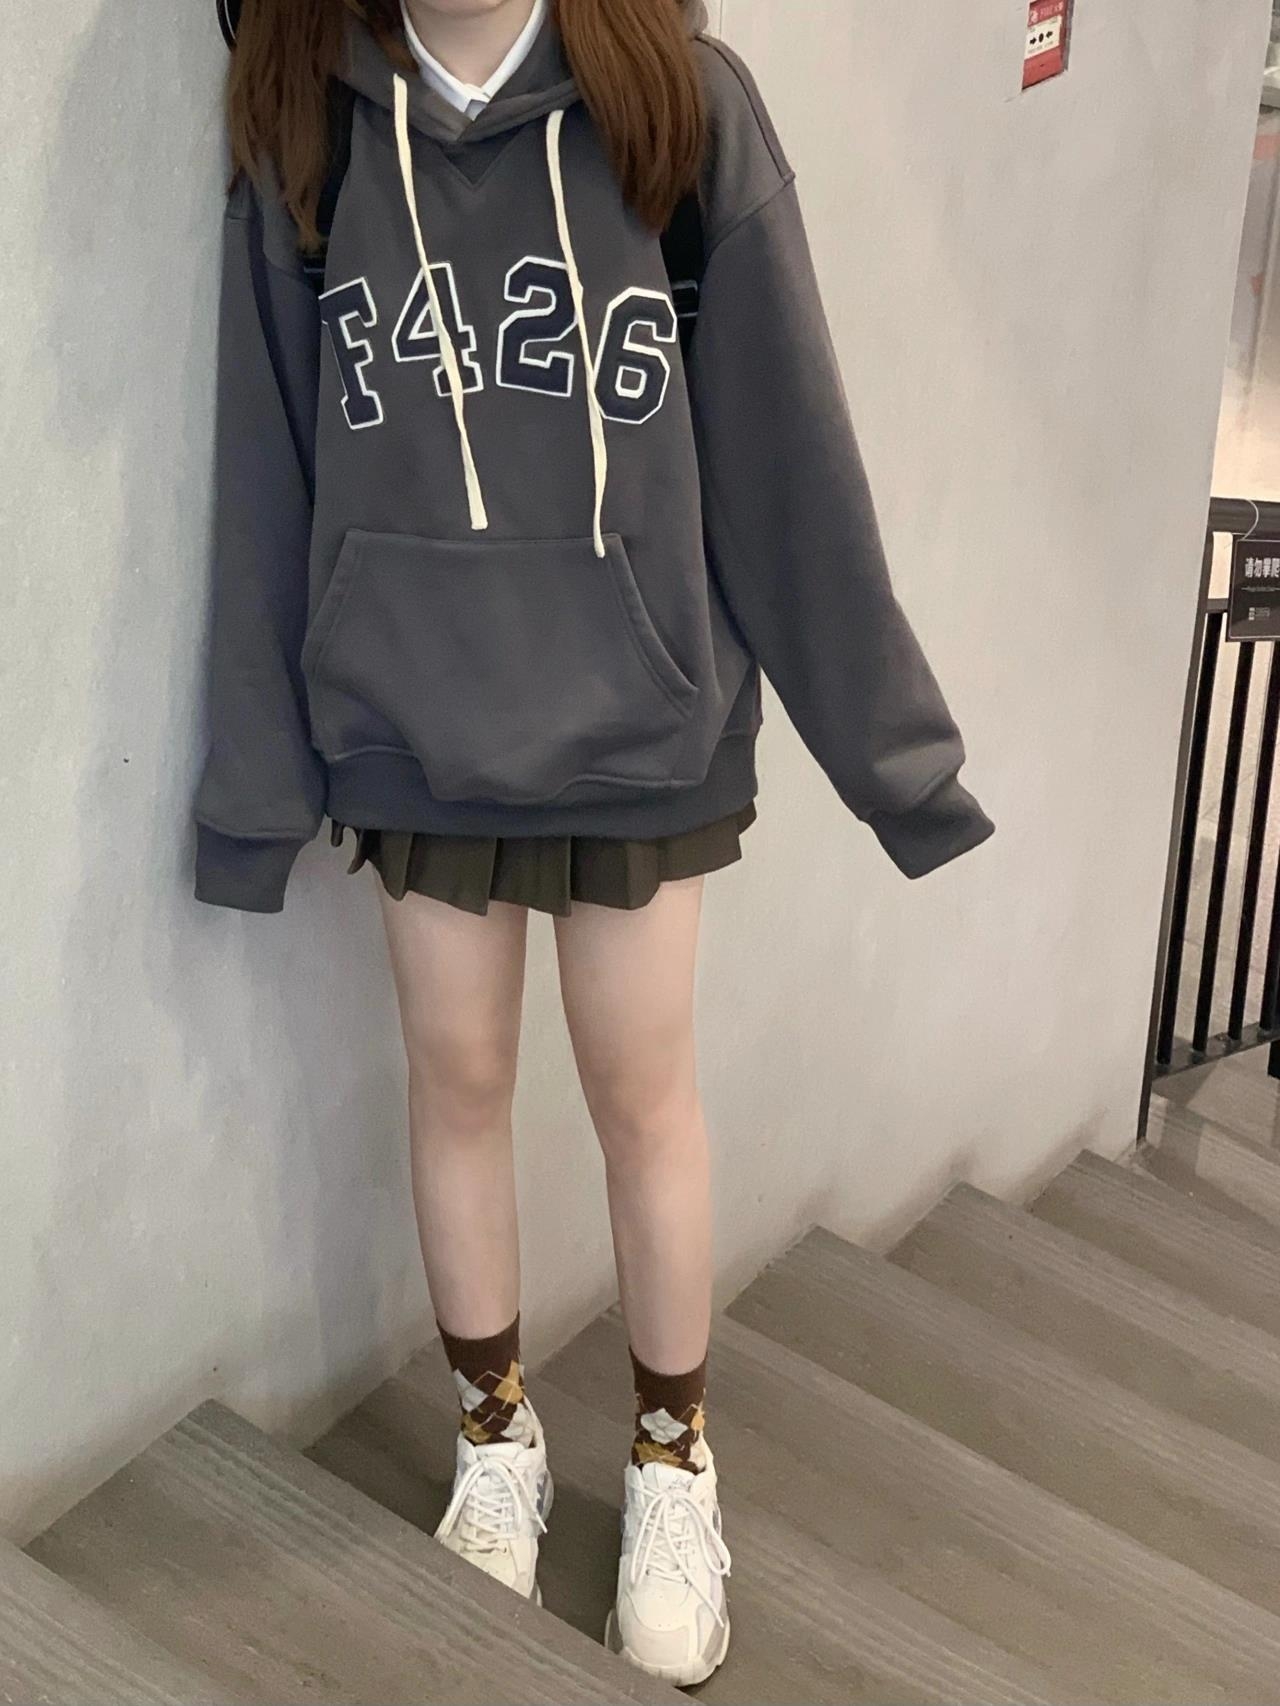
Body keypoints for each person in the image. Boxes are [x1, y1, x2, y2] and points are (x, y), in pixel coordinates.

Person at [193, 0, 994, 1685]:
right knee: (457, 1082)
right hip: (414, 723)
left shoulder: (679, 104)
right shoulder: (302, 121)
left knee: (645, 1096)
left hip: (643, 728)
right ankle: (496, 1436)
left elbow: (787, 462)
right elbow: (265, 470)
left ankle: (671, 1457)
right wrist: (252, 796)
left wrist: (900, 764)